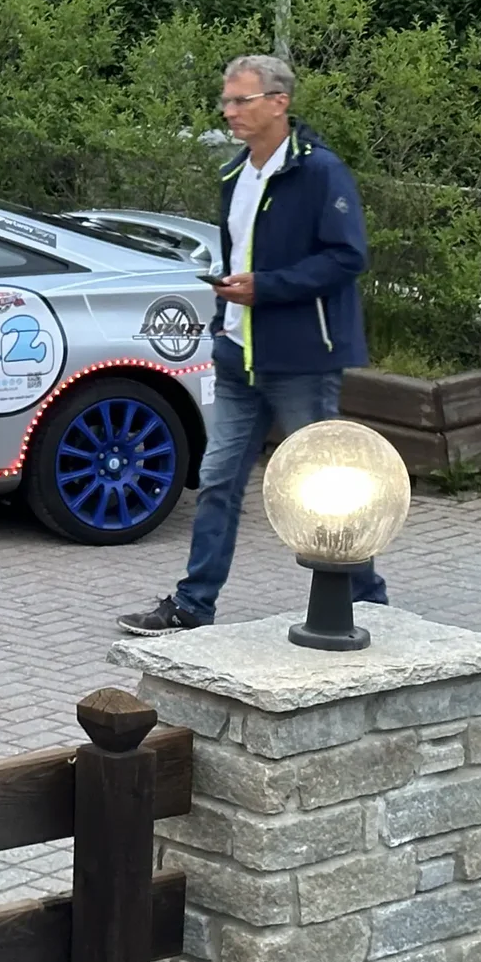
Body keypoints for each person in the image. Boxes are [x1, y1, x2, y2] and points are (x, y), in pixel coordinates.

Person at [118, 54, 385, 637]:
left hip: (302, 361)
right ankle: (193, 604)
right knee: (217, 479)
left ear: (279, 103)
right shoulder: (234, 173)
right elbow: (235, 259)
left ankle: (365, 602)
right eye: (226, 100)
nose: (228, 111)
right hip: (237, 355)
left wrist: (269, 289)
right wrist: (223, 315)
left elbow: (348, 257)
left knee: (327, 487)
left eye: (241, 100)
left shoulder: (320, 172)